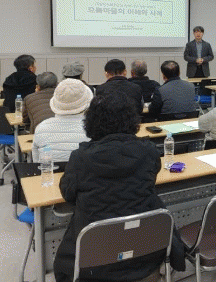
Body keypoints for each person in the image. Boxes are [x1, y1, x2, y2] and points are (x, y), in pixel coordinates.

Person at [53, 92, 185, 282]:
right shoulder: (148, 151)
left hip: (95, 261)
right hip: (145, 255)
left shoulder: (80, 158)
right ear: (132, 120)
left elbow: (68, 194)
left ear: (91, 122)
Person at [32, 79, 92, 163]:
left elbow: (36, 163)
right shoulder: (94, 129)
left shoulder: (41, 128)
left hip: (50, 171)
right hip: (83, 171)